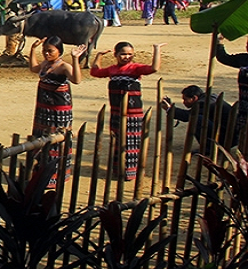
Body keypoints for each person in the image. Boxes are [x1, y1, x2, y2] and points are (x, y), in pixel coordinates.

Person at [90, 41, 165, 181]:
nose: (126, 57)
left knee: (131, 141)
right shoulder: (112, 70)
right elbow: (95, 72)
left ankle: (130, 172)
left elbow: (154, 68)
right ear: (116, 55)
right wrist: (98, 56)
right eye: (123, 54)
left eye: (130, 54)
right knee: (117, 141)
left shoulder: (135, 68)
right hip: (116, 112)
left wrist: (156, 49)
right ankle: (118, 169)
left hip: (132, 113)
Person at [29, 37, 86, 187]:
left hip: (58, 111)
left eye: (50, 51)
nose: (47, 54)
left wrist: (75, 59)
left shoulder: (63, 67)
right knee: (41, 139)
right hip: (43, 109)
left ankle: (54, 176)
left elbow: (77, 79)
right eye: (45, 51)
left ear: (59, 52)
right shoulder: (45, 64)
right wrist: (33, 49)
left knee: (57, 141)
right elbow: (33, 68)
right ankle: (40, 172)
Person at [161, 85, 239, 153]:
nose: (184, 102)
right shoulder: (208, 98)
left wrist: (169, 109)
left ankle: (209, 148)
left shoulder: (204, 102)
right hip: (230, 135)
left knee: (197, 119)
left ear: (194, 97)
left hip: (228, 137)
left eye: (185, 99)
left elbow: (187, 116)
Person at [215, 34, 248, 128]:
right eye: (247, 44)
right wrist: (219, 42)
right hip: (244, 105)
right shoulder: (244, 59)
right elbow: (224, 58)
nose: (247, 46)